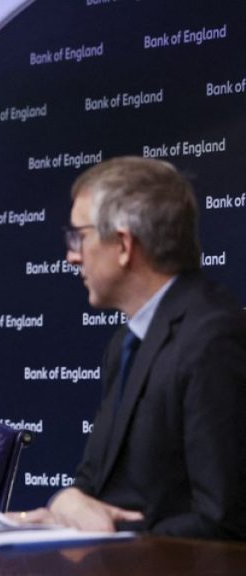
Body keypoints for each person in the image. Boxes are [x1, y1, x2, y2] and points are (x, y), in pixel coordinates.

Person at [21, 157, 246, 540]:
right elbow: (95, 478)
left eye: (80, 237)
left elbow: (225, 521)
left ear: (123, 245)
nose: (71, 255)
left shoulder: (213, 339)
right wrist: (68, 501)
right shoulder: (127, 342)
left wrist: (115, 531)